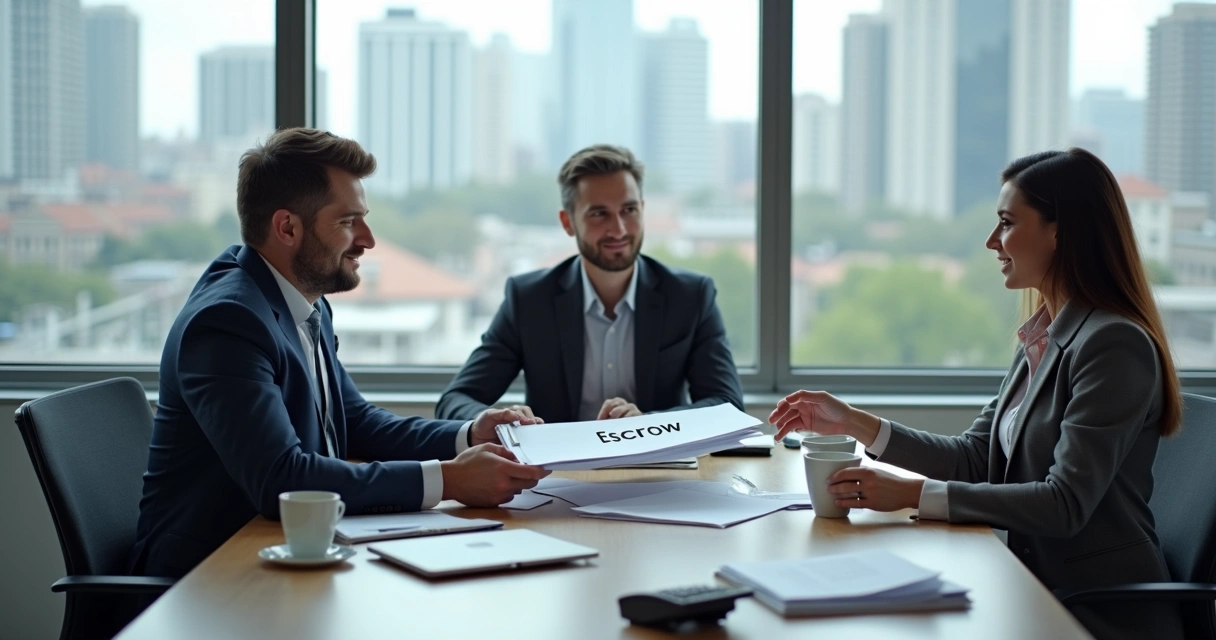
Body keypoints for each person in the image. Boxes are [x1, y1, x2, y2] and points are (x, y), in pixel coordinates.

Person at [768, 148, 1184, 640]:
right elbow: (975, 458)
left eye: (1007, 223)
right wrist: (855, 423)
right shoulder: (1044, 336)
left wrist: (913, 494)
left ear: (1061, 231)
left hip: (1092, 612)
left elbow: (1064, 504)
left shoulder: (1113, 345)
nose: (993, 241)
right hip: (1027, 588)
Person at [131, 128, 546, 579]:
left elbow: (355, 423)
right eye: (349, 222)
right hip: (210, 577)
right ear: (287, 227)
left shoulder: (303, 300)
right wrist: (449, 479)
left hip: (291, 550)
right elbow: (282, 480)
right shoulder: (228, 322)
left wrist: (468, 435)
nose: (367, 239)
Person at [435, 144, 743, 424]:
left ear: (643, 210)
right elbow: (455, 401)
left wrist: (649, 424)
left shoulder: (690, 296)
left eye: (629, 210)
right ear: (568, 222)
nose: (619, 229)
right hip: (555, 478)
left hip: (658, 472)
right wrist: (496, 419)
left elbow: (727, 404)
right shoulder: (529, 300)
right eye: (599, 214)